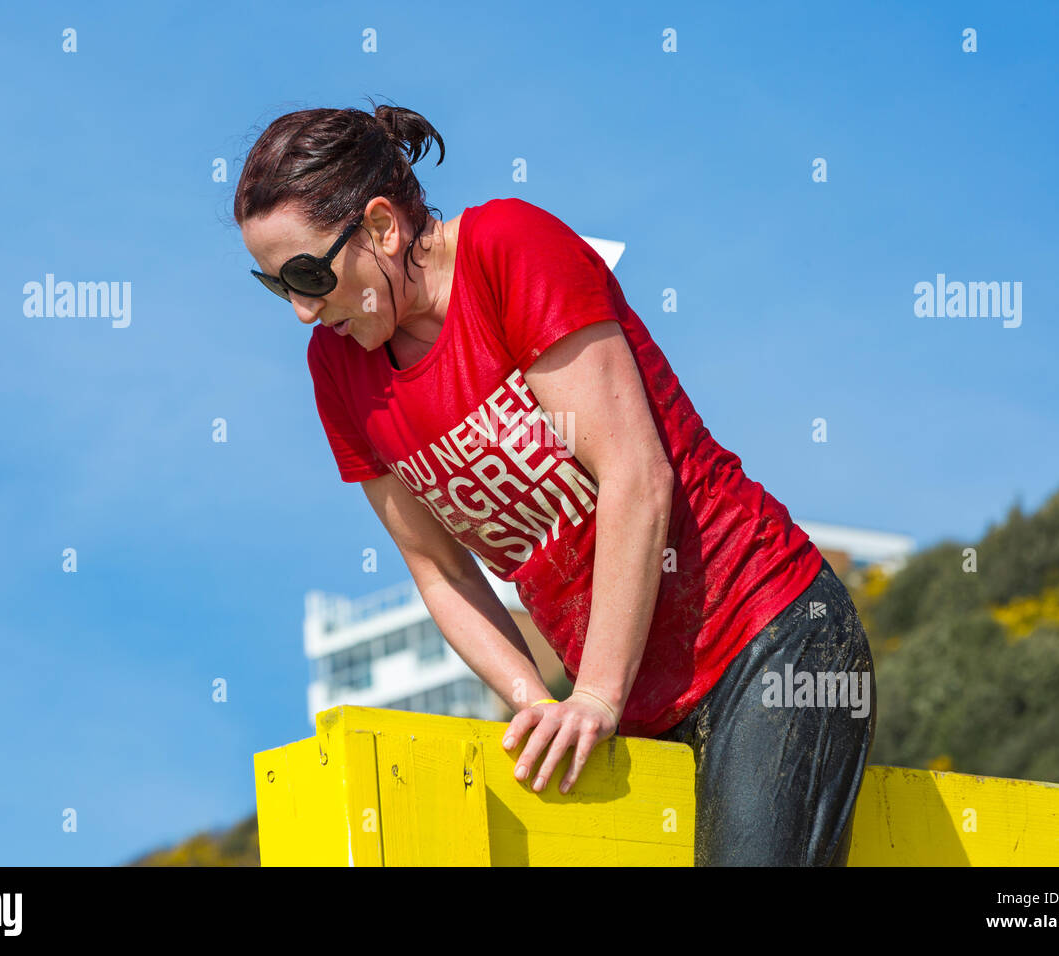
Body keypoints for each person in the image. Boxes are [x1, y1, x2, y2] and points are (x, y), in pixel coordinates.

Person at [235, 98, 877, 866]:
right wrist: (538, 703)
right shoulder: (338, 371)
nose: (304, 310)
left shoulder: (508, 247)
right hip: (634, 702)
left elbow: (635, 474)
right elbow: (440, 572)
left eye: (309, 273)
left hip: (768, 639)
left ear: (381, 227)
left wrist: (596, 692)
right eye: (278, 287)